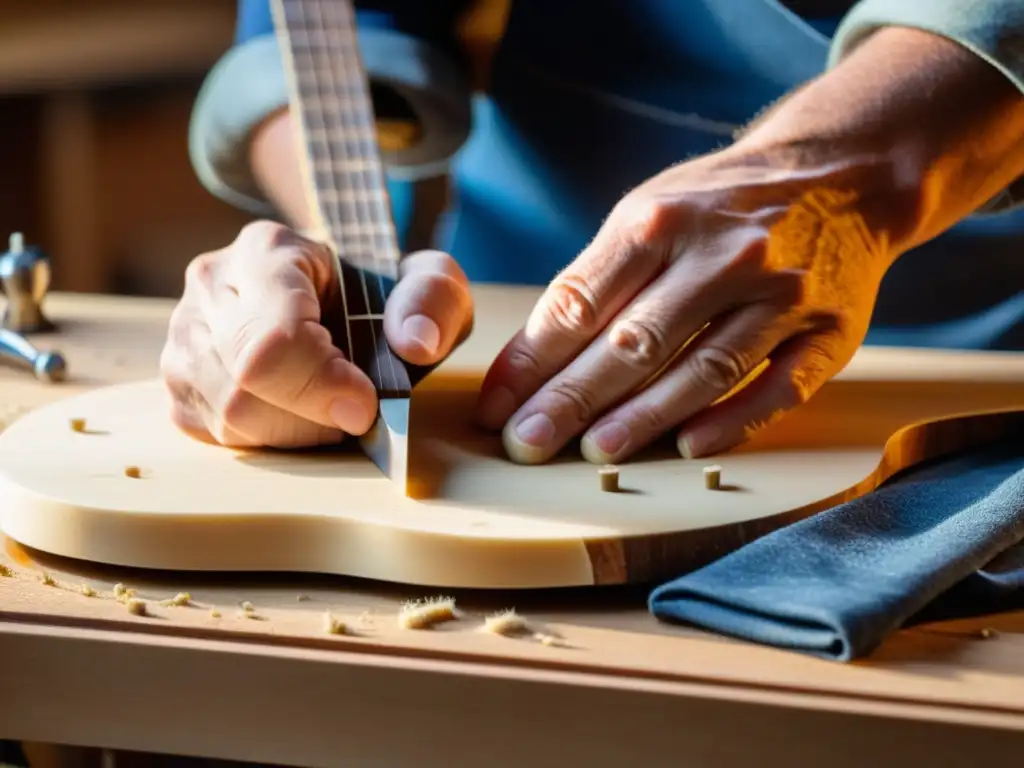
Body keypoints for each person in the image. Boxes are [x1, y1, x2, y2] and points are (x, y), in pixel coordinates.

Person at [168, 0, 1024, 466]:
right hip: (500, 334)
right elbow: (333, 29)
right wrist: (339, 259)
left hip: (983, 365)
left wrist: (843, 174)